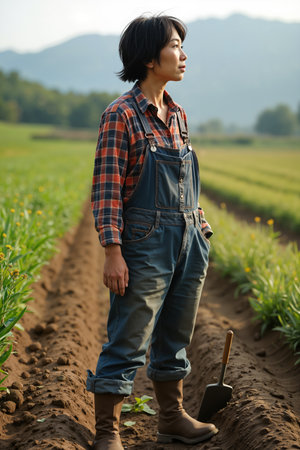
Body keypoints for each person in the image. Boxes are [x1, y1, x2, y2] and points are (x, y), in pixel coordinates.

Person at [86, 14, 218, 450]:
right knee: (128, 337)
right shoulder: (120, 115)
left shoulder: (178, 114)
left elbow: (186, 184)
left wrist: (199, 227)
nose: (183, 54)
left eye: (182, 46)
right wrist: (112, 251)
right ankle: (108, 431)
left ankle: (172, 419)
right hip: (144, 243)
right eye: (176, 45)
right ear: (148, 56)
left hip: (187, 241)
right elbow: (106, 190)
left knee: (175, 336)